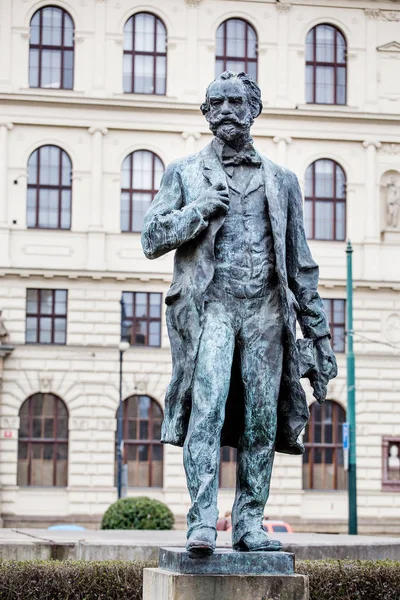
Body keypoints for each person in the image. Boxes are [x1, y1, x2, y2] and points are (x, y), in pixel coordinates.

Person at [142, 71, 337, 556]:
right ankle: (203, 522)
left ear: (255, 110)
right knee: (205, 411)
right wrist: (199, 210)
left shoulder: (283, 181)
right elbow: (151, 239)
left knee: (261, 421)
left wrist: (320, 342)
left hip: (267, 313)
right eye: (217, 102)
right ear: (206, 114)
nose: (226, 109)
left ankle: (249, 522)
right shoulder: (184, 173)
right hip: (212, 307)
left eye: (236, 101)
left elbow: (301, 266)